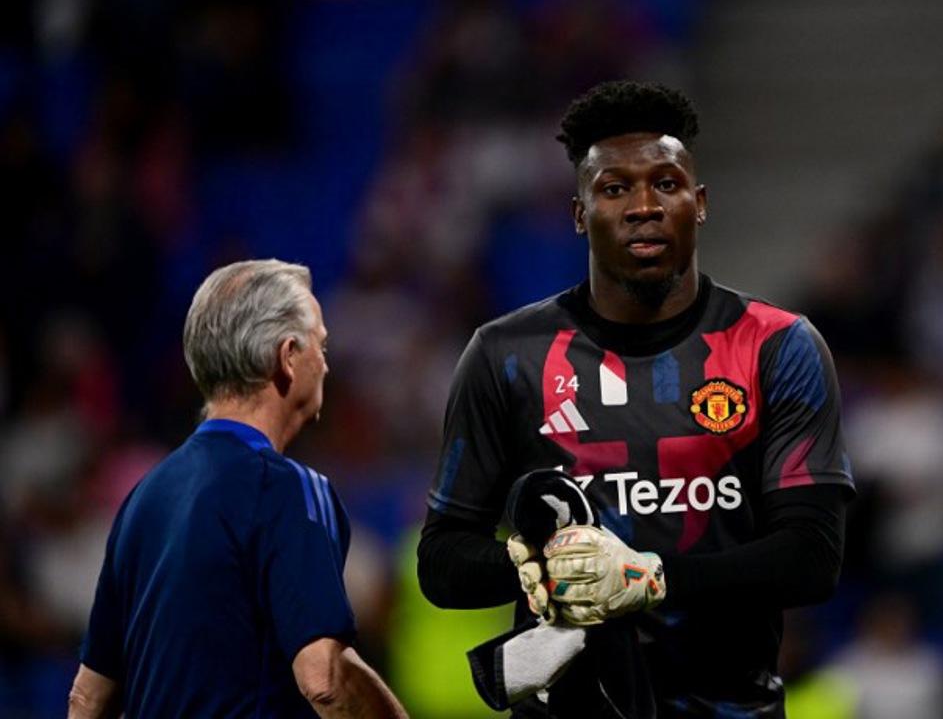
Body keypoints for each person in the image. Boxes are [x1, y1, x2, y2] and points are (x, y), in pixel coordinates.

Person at [418, 81, 855, 717]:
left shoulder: (777, 346)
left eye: (666, 184)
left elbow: (813, 558)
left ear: (699, 204)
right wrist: (538, 568)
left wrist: (647, 580)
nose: (643, 206)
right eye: (614, 188)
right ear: (578, 213)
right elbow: (441, 561)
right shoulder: (505, 356)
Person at [67, 260, 407, 718]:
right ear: (287, 356)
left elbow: (89, 697)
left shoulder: (144, 497)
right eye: (320, 347)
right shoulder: (289, 489)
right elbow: (325, 680)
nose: (326, 365)